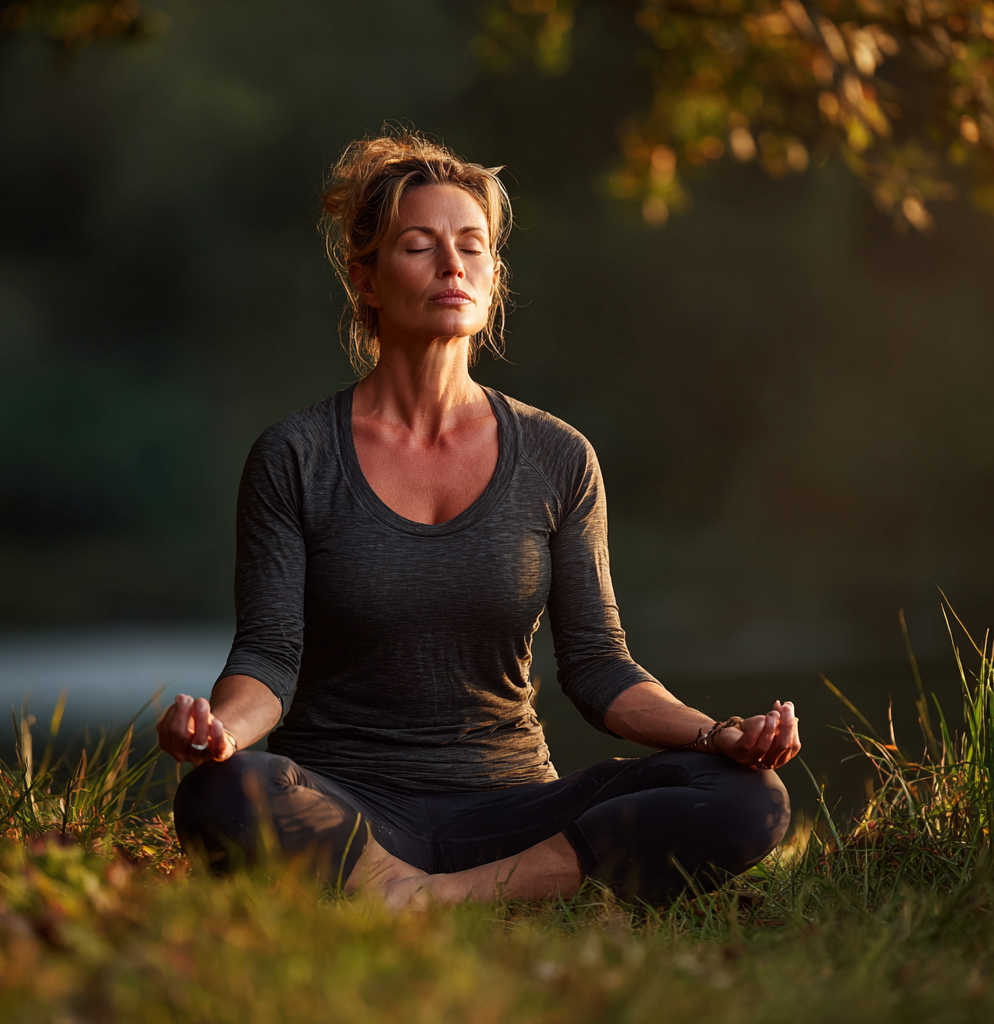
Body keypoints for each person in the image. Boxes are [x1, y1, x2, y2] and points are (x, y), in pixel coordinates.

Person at [160, 130, 800, 910]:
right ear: (365, 279)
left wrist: (715, 736)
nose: (452, 265)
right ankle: (442, 889)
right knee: (221, 792)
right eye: (419, 246)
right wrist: (221, 732)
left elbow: (599, 666)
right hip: (350, 804)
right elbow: (268, 657)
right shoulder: (295, 455)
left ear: (494, 277)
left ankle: (425, 899)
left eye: (472, 246)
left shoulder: (558, 455)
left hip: (519, 810)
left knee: (746, 794)